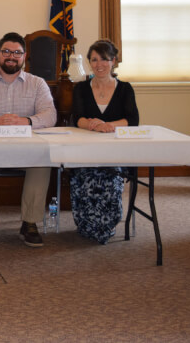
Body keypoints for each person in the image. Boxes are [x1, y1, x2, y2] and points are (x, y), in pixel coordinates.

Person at [0, 32, 57, 247]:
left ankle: (30, 223)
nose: (11, 56)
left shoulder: (37, 83)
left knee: (43, 159)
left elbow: (50, 115)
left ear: (24, 56)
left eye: (17, 52)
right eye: (6, 51)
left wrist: (24, 120)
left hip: (27, 147)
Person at [70, 39, 139, 244]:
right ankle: (87, 224)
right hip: (85, 152)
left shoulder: (125, 89)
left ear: (114, 61)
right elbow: (77, 119)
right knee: (84, 176)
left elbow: (133, 120)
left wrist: (108, 125)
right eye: (94, 59)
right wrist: (92, 124)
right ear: (89, 62)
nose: (99, 64)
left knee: (109, 179)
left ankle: (107, 224)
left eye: (104, 59)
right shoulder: (81, 88)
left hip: (114, 153)